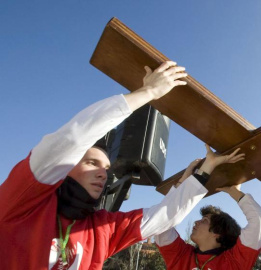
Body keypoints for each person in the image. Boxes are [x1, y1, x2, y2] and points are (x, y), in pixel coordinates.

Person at [0, 61, 244, 270]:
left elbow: (164, 216)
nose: (102, 173)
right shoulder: (23, 201)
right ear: (65, 166)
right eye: (91, 163)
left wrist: (206, 169)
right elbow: (71, 139)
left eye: (106, 168)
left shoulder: (103, 227)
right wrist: (148, 92)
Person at [155, 183, 261, 269]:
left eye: (204, 220)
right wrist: (182, 185)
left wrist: (234, 191)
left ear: (217, 232)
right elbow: (161, 222)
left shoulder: (234, 262)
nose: (196, 222)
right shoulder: (181, 255)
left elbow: (259, 220)